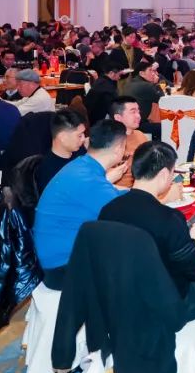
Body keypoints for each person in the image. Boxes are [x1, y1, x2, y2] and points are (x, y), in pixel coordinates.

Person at [99, 141, 195, 321]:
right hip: (167, 306)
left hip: (120, 299)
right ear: (163, 175)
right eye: (172, 173)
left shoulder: (108, 210)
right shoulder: (168, 218)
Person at [32, 119, 129, 289]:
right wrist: (160, 197)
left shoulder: (82, 166)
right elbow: (127, 212)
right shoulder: (89, 179)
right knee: (137, 248)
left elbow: (113, 196)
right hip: (62, 268)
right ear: (119, 148)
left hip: (54, 257)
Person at [35, 109, 88, 195]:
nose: (83, 139)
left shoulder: (79, 151)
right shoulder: (49, 170)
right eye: (79, 135)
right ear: (63, 137)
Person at [109, 96, 152, 189]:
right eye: (133, 112)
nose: (138, 116)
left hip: (143, 186)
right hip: (120, 191)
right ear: (118, 117)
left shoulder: (140, 135)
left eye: (138, 111)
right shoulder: (109, 142)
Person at [123, 59, 164, 138]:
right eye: (150, 71)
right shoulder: (146, 86)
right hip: (137, 124)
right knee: (165, 128)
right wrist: (156, 84)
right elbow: (163, 100)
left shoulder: (130, 83)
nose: (154, 74)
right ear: (141, 73)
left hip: (127, 121)